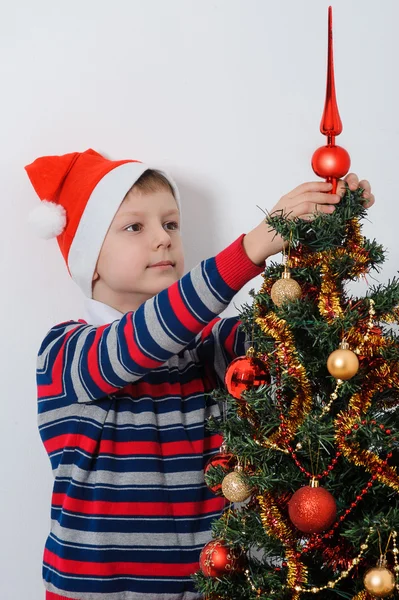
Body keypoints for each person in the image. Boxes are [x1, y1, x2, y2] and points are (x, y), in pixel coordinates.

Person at [25, 148, 374, 600]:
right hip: (96, 592)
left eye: (171, 224)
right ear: (89, 258)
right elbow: (141, 340)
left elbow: (299, 336)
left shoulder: (210, 346)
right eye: (135, 227)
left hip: (214, 587)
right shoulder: (66, 351)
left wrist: (325, 235)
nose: (163, 239)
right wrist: (251, 248)